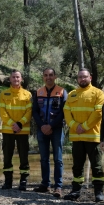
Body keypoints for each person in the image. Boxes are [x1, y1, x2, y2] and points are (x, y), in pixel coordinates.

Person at [63, 68, 104, 202]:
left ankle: (98, 192)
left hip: (93, 136)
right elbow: (67, 112)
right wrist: (76, 126)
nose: (82, 79)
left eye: (85, 77)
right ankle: (75, 191)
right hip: (77, 137)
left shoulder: (98, 93)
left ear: (90, 78)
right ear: (77, 79)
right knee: (77, 166)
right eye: (80, 77)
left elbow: (98, 113)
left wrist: (85, 127)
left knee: (97, 166)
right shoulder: (72, 94)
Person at [32, 68, 67, 198]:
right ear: (43, 77)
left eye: (51, 75)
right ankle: (45, 184)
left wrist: (51, 125)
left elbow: (64, 112)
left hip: (57, 129)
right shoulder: (38, 92)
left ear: (55, 76)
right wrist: (42, 126)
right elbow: (34, 111)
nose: (48, 77)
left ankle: (58, 186)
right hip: (42, 129)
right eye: (46, 75)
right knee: (44, 158)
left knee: (58, 159)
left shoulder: (62, 92)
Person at [0, 69, 32, 190]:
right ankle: (8, 181)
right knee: (7, 156)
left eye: (18, 77)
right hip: (8, 130)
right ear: (10, 79)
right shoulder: (4, 94)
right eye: (13, 77)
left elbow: (29, 112)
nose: (16, 79)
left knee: (24, 156)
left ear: (21, 79)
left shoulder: (28, 94)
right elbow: (2, 112)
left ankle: (23, 180)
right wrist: (13, 124)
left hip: (22, 131)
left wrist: (20, 124)